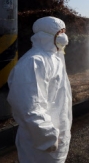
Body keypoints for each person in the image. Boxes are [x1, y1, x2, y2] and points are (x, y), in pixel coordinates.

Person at [7, 16, 72, 163]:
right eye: (60, 32)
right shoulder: (34, 62)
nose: (64, 36)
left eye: (64, 31)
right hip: (40, 145)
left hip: (57, 138)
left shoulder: (55, 58)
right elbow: (29, 107)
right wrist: (48, 137)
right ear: (45, 35)